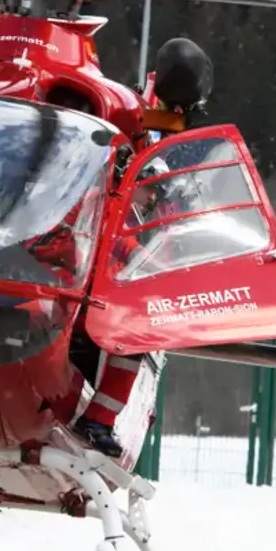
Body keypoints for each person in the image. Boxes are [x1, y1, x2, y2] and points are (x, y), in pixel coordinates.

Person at [68, 160, 171, 457]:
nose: (152, 200)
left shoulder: (109, 207)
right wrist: (161, 271)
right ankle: (97, 421)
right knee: (131, 345)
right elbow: (124, 247)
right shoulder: (106, 205)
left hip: (81, 300)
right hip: (75, 303)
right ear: (137, 180)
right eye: (152, 190)